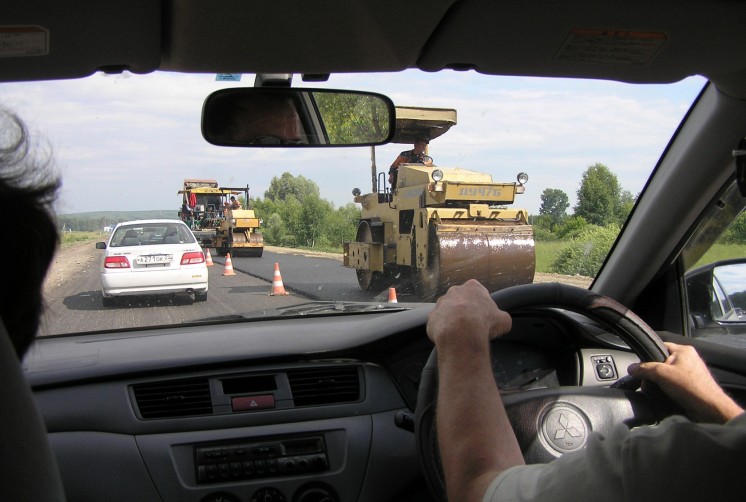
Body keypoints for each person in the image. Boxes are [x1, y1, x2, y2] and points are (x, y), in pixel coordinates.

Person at [426, 279, 746, 502]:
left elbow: (478, 490)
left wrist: (461, 335)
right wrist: (718, 406)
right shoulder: (720, 458)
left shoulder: (661, 467)